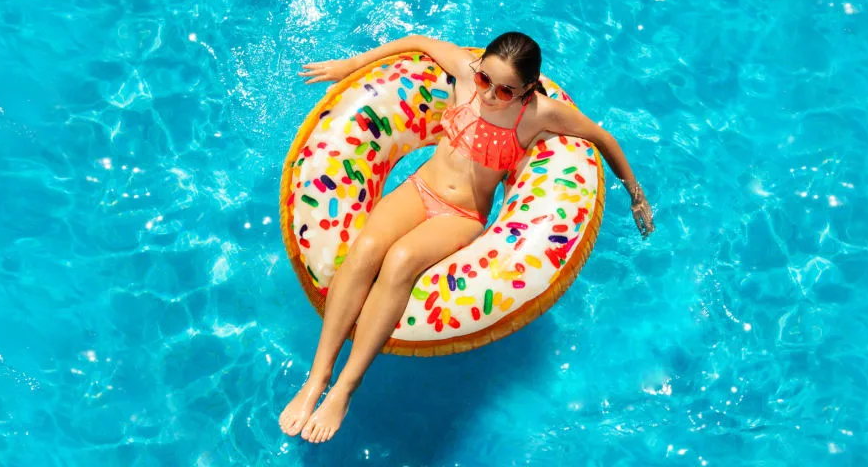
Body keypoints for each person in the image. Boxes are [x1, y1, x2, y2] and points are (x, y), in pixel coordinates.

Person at [278, 32, 655, 443]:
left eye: (505, 89)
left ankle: (346, 387)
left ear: (528, 87)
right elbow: (417, 41)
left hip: (462, 213)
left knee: (402, 259)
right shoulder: (463, 70)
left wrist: (636, 195)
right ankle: (317, 378)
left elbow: (603, 138)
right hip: (420, 190)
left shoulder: (538, 114)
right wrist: (350, 65)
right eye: (484, 81)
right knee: (366, 247)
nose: (491, 94)